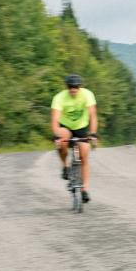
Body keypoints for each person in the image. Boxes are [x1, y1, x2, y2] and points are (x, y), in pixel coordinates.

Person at [51, 74, 98, 202]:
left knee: (84, 155)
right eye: (70, 86)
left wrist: (93, 133)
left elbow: (93, 116)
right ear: (67, 87)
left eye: (76, 87)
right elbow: (55, 119)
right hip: (65, 126)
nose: (73, 89)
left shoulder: (87, 95)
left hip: (81, 127)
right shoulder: (59, 98)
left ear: (80, 87)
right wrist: (56, 136)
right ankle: (65, 166)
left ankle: (84, 190)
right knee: (62, 138)